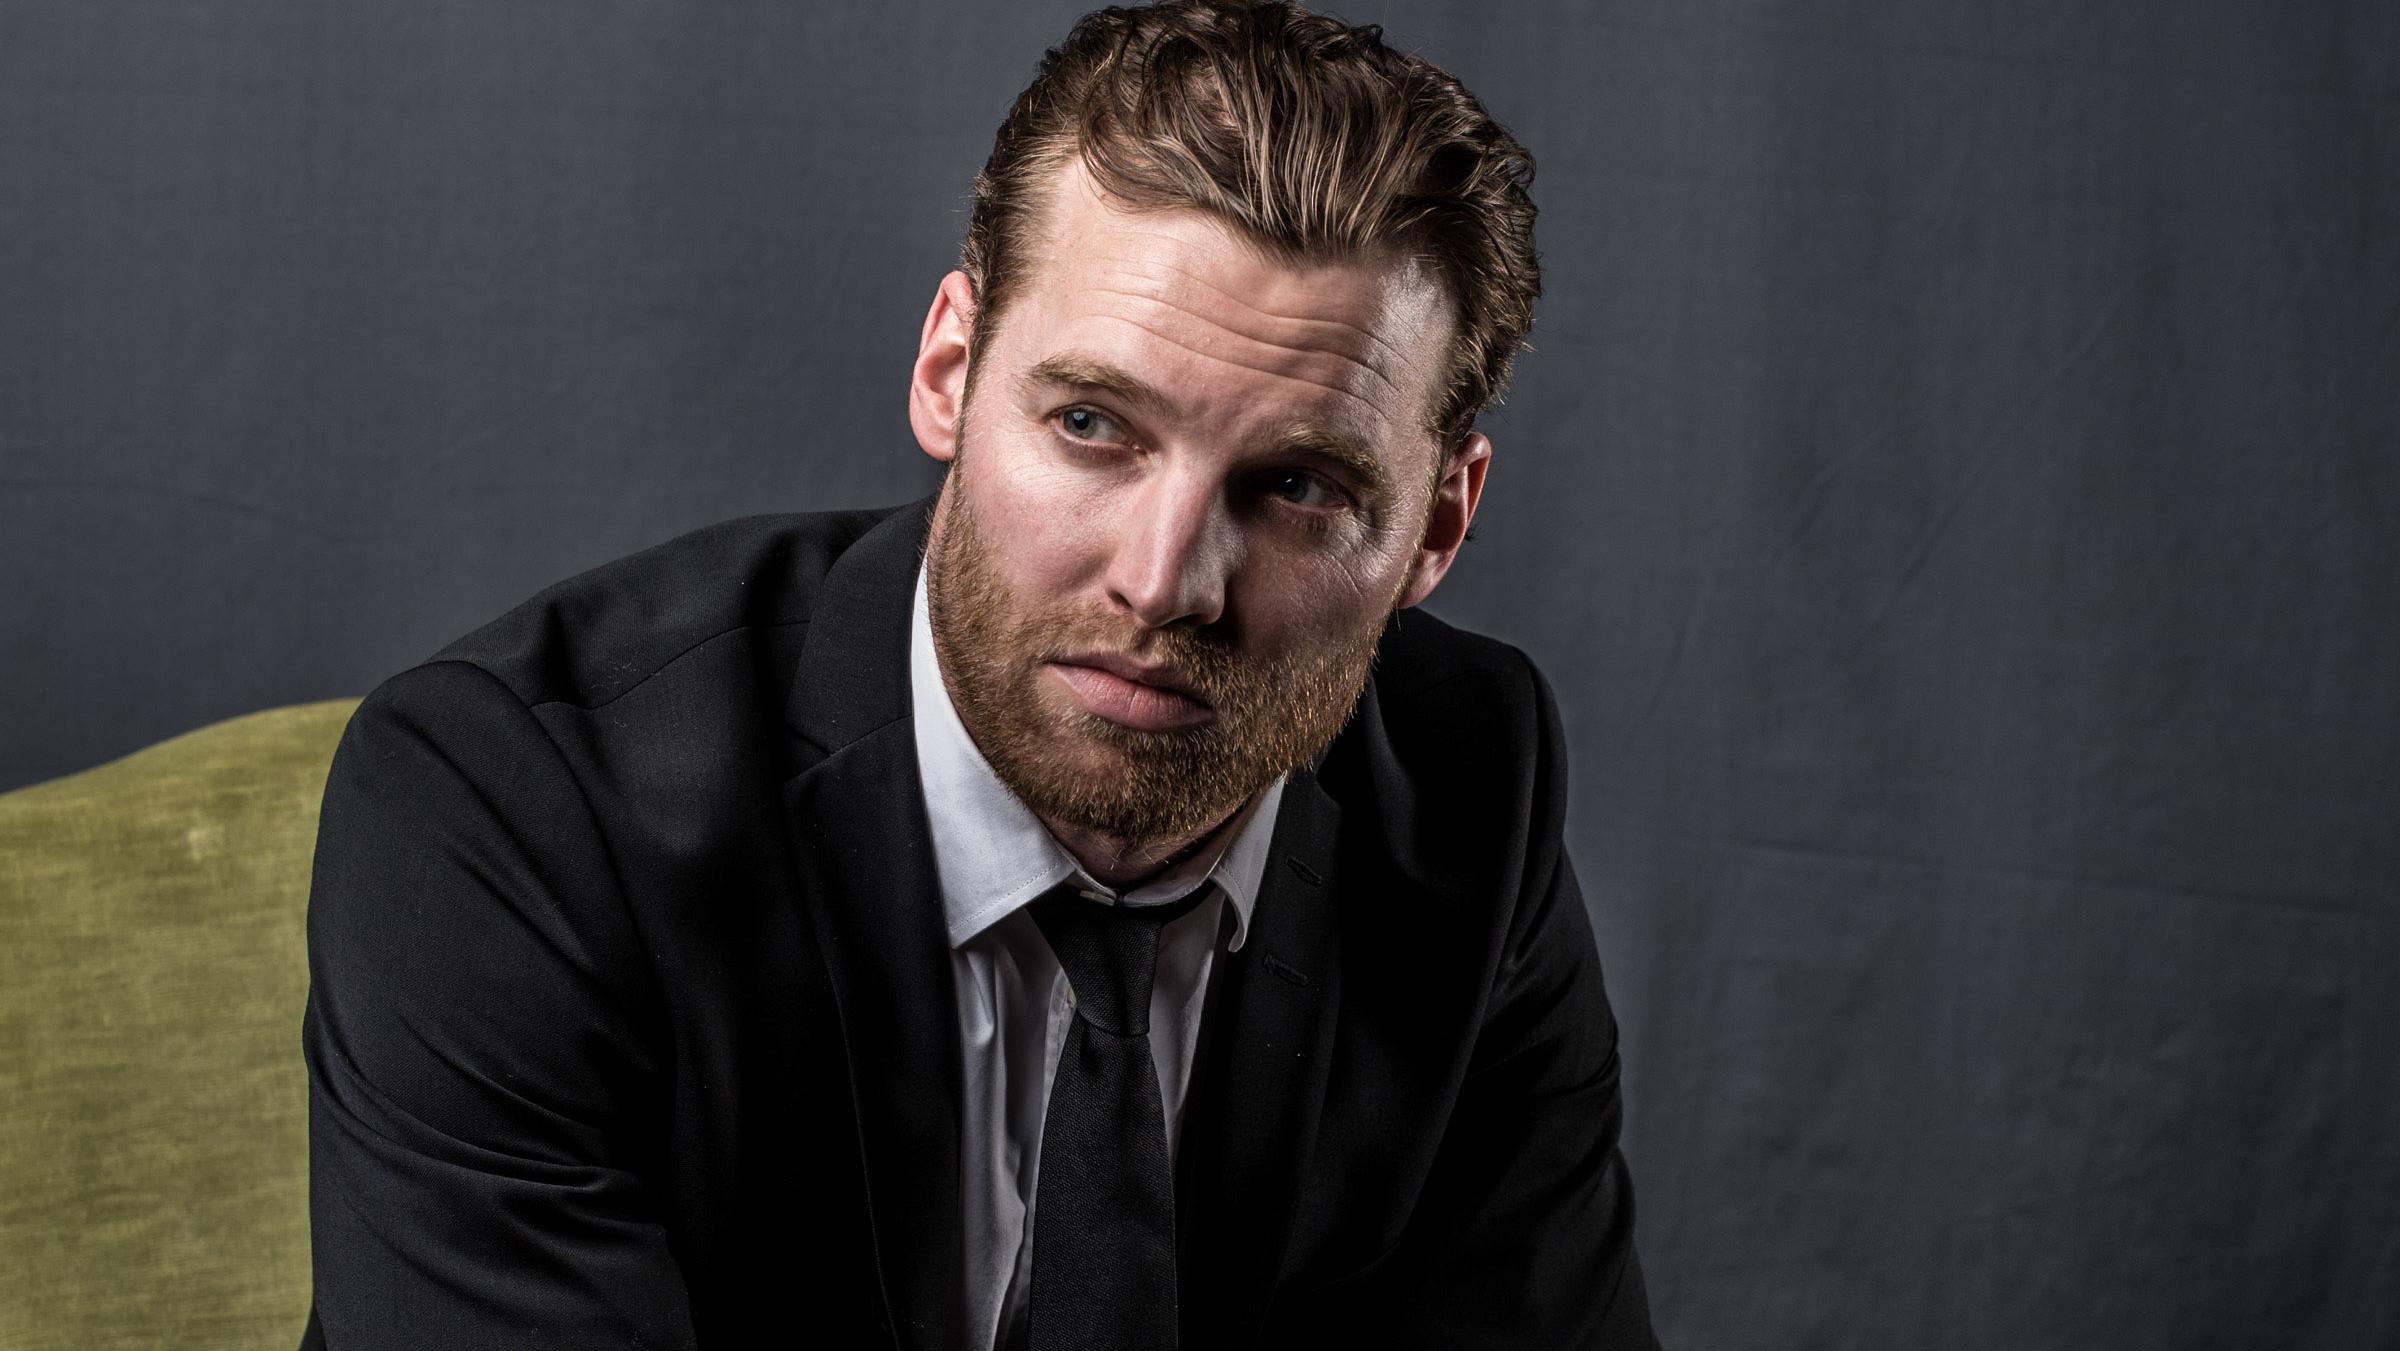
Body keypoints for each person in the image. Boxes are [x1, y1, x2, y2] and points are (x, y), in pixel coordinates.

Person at [299, 1, 1657, 1347]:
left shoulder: (1473, 783)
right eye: (1089, 424)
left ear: (1436, 524)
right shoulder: (514, 809)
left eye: (1298, 486)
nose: (1163, 579)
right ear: (950, 372)